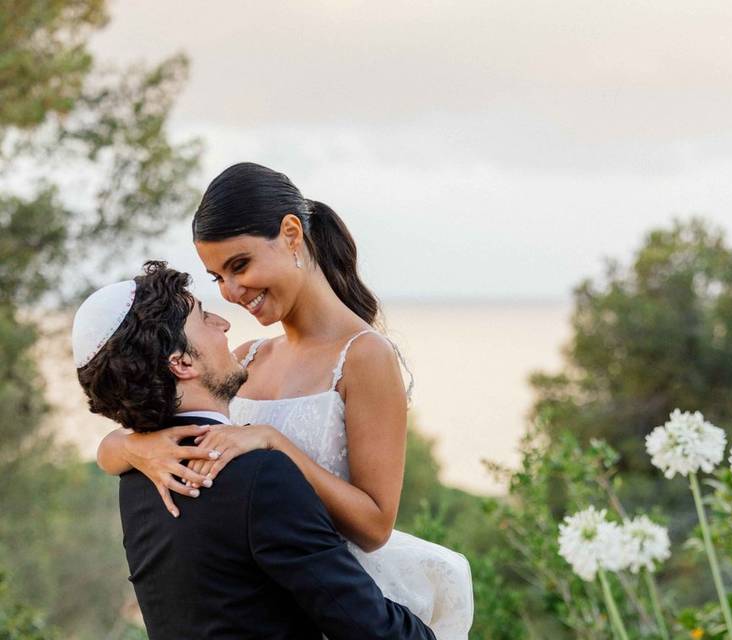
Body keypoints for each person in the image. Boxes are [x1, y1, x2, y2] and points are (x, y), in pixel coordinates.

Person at [97, 163, 473, 639]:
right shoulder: (245, 358)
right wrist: (135, 449)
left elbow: (376, 525)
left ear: (291, 235)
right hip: (259, 606)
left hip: (339, 603)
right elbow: (122, 443)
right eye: (217, 278)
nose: (232, 293)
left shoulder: (364, 357)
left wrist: (275, 443)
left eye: (240, 265)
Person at [74, 262, 436, 640]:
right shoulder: (258, 476)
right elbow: (371, 628)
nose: (224, 324)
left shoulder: (136, 475)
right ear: (181, 363)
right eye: (205, 317)